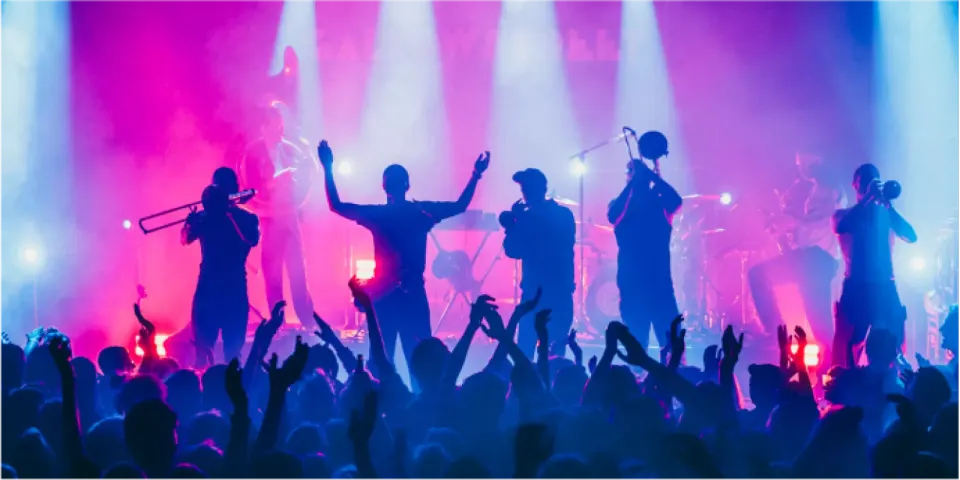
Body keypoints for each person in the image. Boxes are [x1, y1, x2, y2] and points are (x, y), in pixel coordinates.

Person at [318, 139, 490, 367]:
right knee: (422, 362)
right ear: (407, 186)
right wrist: (476, 175)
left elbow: (337, 206)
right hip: (411, 293)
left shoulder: (381, 215)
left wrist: (328, 168)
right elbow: (460, 205)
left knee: (382, 361)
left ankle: (383, 390)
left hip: (385, 294)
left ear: (384, 187)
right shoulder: (420, 212)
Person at [749, 153, 845, 345]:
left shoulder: (830, 189)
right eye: (798, 163)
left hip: (818, 258)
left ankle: (775, 334)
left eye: (802, 161)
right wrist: (785, 229)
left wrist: (792, 221)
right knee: (818, 323)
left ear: (816, 159)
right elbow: (809, 227)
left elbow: (825, 221)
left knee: (758, 275)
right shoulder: (817, 189)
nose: (799, 168)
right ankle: (778, 336)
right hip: (811, 258)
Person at [238, 104, 318, 325]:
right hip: (268, 219)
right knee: (272, 275)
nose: (281, 132)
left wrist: (307, 166)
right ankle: (277, 322)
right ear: (264, 127)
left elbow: (307, 179)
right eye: (276, 127)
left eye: (282, 126)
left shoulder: (291, 150)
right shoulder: (252, 154)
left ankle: (308, 320)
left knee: (298, 272)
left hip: (289, 217)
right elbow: (248, 190)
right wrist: (274, 183)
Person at [832, 163, 917, 367]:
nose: (870, 185)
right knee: (850, 343)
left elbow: (911, 236)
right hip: (856, 287)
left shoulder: (885, 214)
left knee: (893, 341)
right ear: (855, 185)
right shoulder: (844, 214)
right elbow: (841, 226)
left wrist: (889, 206)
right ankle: (848, 381)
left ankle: (891, 379)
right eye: (865, 181)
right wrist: (867, 200)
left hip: (885, 286)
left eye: (873, 180)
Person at [607, 156, 682, 360]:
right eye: (630, 171)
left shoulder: (659, 203)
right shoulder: (619, 204)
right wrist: (634, 184)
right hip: (633, 285)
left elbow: (677, 202)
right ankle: (638, 377)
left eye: (634, 172)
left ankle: (671, 375)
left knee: (670, 345)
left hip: (659, 284)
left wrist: (651, 177)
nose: (633, 175)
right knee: (636, 345)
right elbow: (612, 215)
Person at [181, 184, 260, 367]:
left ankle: (230, 381)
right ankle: (203, 380)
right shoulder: (205, 217)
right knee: (202, 349)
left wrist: (229, 214)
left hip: (233, 287)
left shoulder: (246, 217)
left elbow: (252, 239)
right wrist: (189, 225)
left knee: (233, 351)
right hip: (208, 287)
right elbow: (185, 239)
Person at [500, 168, 576, 357]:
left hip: (554, 291)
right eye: (523, 189)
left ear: (541, 189)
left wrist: (520, 222)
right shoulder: (532, 217)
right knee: (526, 351)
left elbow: (551, 242)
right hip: (535, 292)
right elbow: (512, 251)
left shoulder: (561, 215)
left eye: (527, 188)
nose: (525, 194)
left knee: (552, 352)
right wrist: (513, 226)